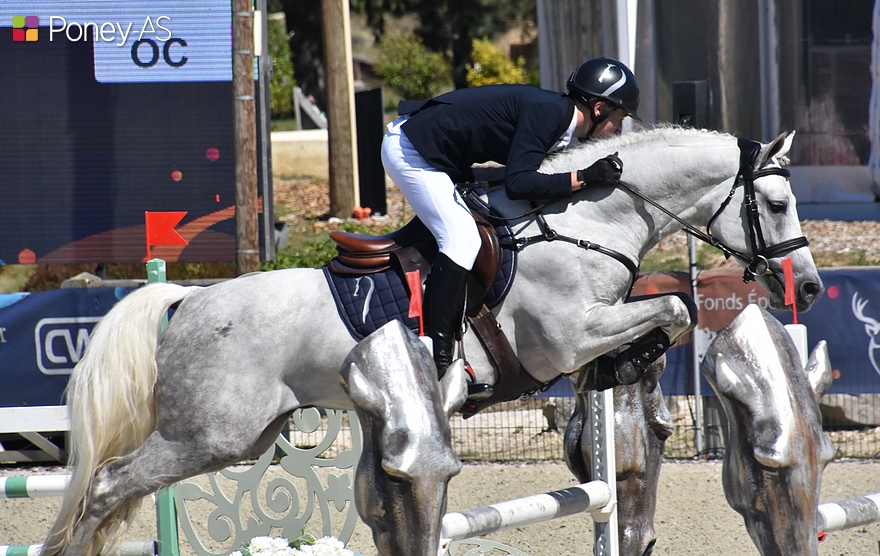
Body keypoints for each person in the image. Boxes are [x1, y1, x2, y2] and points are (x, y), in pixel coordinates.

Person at [381, 57, 641, 380]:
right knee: (462, 238)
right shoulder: (550, 114)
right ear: (599, 108)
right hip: (412, 151)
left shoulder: (558, 119)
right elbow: (519, 184)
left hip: (443, 156)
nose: (618, 128)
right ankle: (439, 357)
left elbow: (530, 176)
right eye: (620, 118)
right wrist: (585, 177)